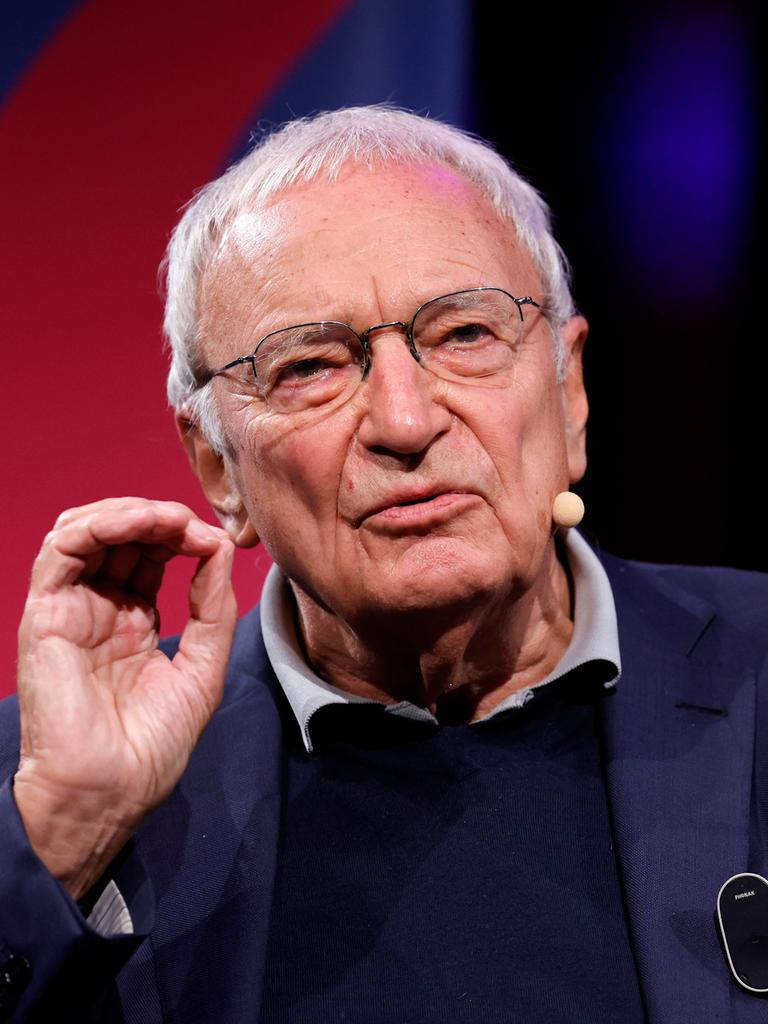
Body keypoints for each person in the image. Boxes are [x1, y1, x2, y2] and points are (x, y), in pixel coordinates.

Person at [1, 106, 767, 1024]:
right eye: (311, 366)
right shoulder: (46, 788)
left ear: (569, 394)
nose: (405, 421)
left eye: (466, 336)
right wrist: (68, 836)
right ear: (217, 467)